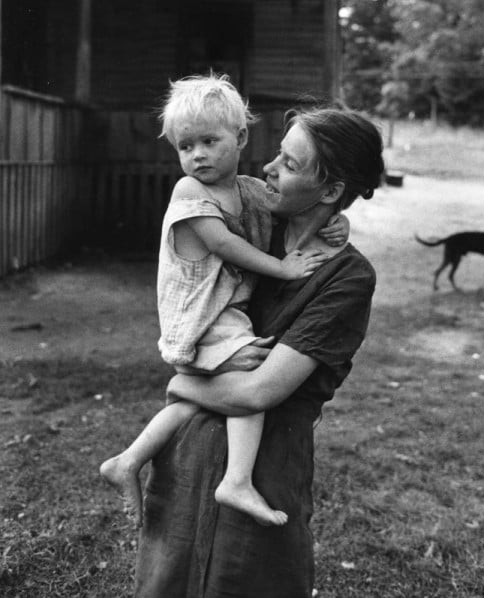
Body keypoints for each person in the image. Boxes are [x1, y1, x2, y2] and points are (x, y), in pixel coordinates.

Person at [133, 105, 385, 598]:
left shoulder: (348, 278)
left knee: (246, 582)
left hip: (265, 467)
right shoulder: (252, 226)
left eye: (289, 165)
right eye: (276, 155)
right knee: (168, 581)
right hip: (188, 452)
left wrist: (181, 382)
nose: (268, 169)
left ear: (331, 191)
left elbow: (258, 391)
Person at [99, 75, 346, 529]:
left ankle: (128, 459)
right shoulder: (189, 192)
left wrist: (336, 220)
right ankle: (236, 479)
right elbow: (224, 245)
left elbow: (291, 208)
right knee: (250, 376)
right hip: (201, 316)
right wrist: (283, 269)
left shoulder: (247, 190)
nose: (197, 155)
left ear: (241, 137)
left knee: (195, 402)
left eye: (209, 141)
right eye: (185, 145)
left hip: (221, 312)